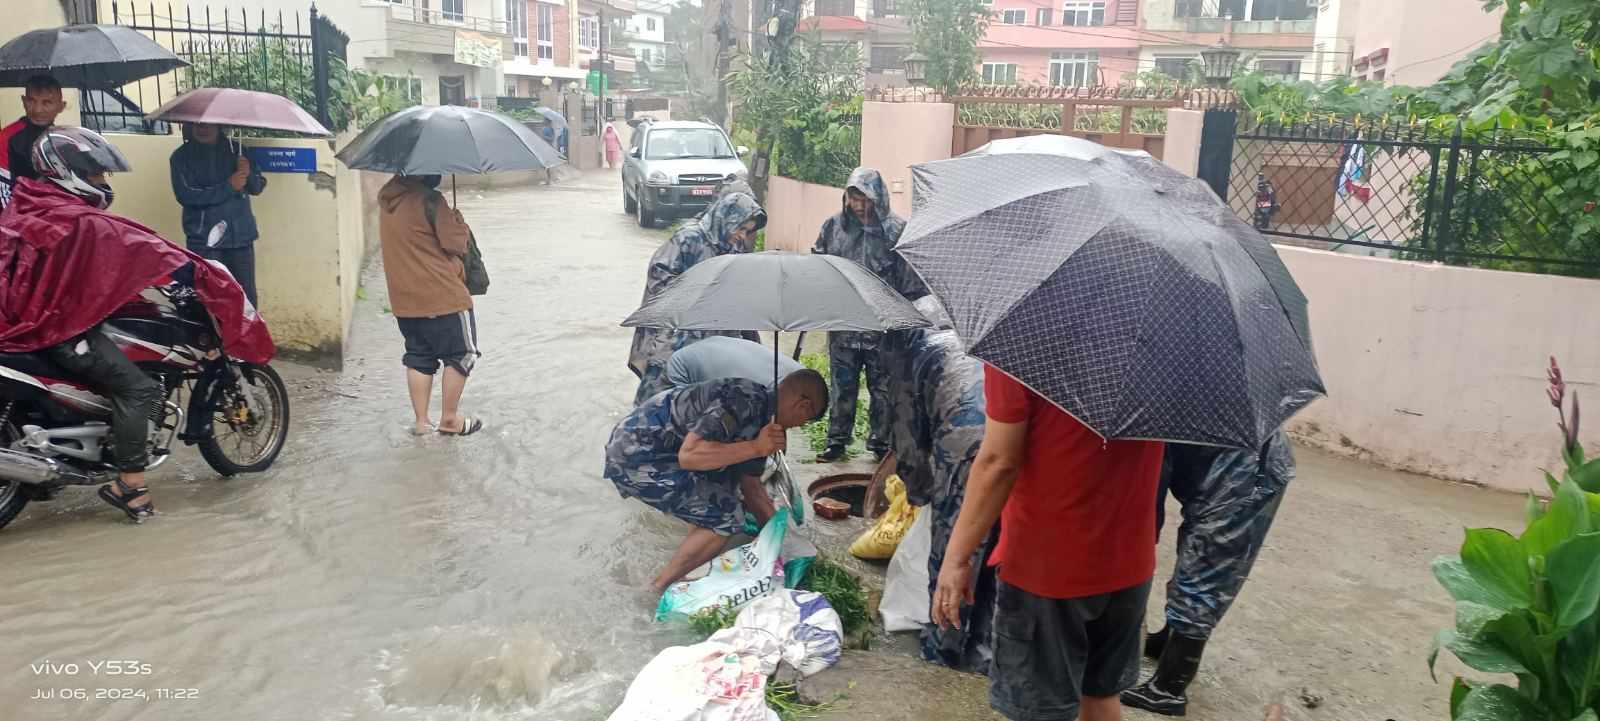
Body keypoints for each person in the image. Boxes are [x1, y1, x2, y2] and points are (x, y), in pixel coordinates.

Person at [0, 127, 271, 522]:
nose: (103, 182)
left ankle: (59, 464)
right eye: (96, 174)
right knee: (140, 390)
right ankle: (130, 485)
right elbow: (141, 247)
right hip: (55, 327)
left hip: (23, 318)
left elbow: (90, 266)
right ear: (69, 170)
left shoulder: (33, 202)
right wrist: (194, 276)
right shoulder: (80, 220)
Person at [933, 364, 1164, 721]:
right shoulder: (1161, 340)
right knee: (1100, 696)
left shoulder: (1025, 340)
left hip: (1048, 568)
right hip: (1129, 558)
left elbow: (998, 462)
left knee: (1040, 712)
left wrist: (956, 557)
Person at [603, 371, 828, 592]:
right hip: (636, 453)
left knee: (728, 490)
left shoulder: (766, 420)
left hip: (666, 453)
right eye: (807, 421)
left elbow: (752, 489)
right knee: (726, 518)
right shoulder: (742, 399)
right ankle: (658, 588)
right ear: (803, 406)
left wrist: (781, 543)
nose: (799, 426)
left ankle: (695, 558)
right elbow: (689, 456)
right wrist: (755, 447)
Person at [1121, 433, 1295, 717]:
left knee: (1206, 571)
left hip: (1246, 474)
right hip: (1234, 462)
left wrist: (1137, 548)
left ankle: (1169, 688)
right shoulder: (1153, 415)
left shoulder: (1148, 427)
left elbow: (1147, 503)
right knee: (1194, 550)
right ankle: (1169, 641)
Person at [880, 296, 993, 673]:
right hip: (1021, 436)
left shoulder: (904, 332)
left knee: (952, 553)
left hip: (967, 440)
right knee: (998, 543)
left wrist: (918, 494)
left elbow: (907, 433)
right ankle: (987, 643)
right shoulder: (986, 310)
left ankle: (943, 653)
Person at [811, 167, 924, 462]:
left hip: (883, 329)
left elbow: (911, 282)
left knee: (883, 388)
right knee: (842, 385)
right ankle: (836, 440)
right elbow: (818, 265)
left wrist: (907, 321)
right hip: (844, 324)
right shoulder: (833, 227)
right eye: (854, 199)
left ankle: (881, 443)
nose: (860, 206)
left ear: (879, 199)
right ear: (846, 198)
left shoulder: (897, 230)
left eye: (866, 199)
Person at [627, 192, 765, 405]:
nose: (742, 235)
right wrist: (701, 294)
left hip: (715, 340)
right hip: (675, 338)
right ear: (726, 218)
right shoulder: (688, 239)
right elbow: (659, 281)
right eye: (740, 227)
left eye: (747, 231)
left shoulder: (733, 250)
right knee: (657, 403)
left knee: (701, 403)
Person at [378, 173, 483, 437]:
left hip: (405, 301)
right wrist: (458, 222)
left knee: (419, 357)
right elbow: (456, 243)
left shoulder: (388, 202)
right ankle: (450, 419)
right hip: (443, 296)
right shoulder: (431, 201)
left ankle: (422, 422)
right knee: (463, 353)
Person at [169, 123, 267, 305]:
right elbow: (186, 195)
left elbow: (257, 187)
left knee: (246, 299)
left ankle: (244, 335)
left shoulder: (238, 151)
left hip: (241, 239)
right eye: (197, 124)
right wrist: (229, 186)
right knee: (210, 299)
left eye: (208, 125)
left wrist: (247, 173)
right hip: (205, 241)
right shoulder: (181, 157)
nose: (202, 128)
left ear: (219, 126)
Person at [0, 75, 67, 210]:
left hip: (55, 216)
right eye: (31, 101)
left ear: (61, 106)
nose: (38, 110)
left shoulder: (63, 139)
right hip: (18, 220)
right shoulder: (7, 138)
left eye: (47, 102)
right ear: (24, 101)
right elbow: (3, 193)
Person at [663, 335, 802, 390]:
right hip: (682, 368)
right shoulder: (761, 392)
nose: (794, 426)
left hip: (711, 350)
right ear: (803, 405)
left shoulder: (798, 377)